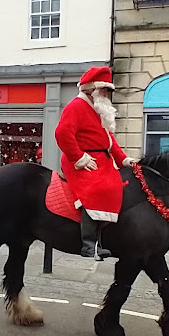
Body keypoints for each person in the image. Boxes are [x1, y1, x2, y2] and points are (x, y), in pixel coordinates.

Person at [55, 66, 136, 259]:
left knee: (118, 184)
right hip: (81, 159)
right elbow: (62, 133)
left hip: (101, 158)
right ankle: (88, 244)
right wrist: (79, 157)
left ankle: (106, 237)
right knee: (97, 189)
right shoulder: (76, 106)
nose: (107, 95)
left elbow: (109, 141)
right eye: (104, 90)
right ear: (91, 90)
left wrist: (123, 159)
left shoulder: (99, 110)